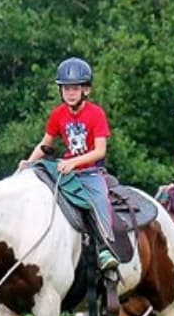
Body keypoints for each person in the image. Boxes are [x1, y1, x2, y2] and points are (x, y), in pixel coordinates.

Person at [18, 57, 120, 272]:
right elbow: (45, 145)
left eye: (75, 88)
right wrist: (28, 163)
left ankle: (105, 248)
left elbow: (100, 151)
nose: (70, 93)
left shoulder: (96, 113)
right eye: (66, 88)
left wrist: (73, 162)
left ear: (86, 90)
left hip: (90, 173)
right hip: (66, 172)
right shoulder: (57, 114)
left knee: (98, 201)